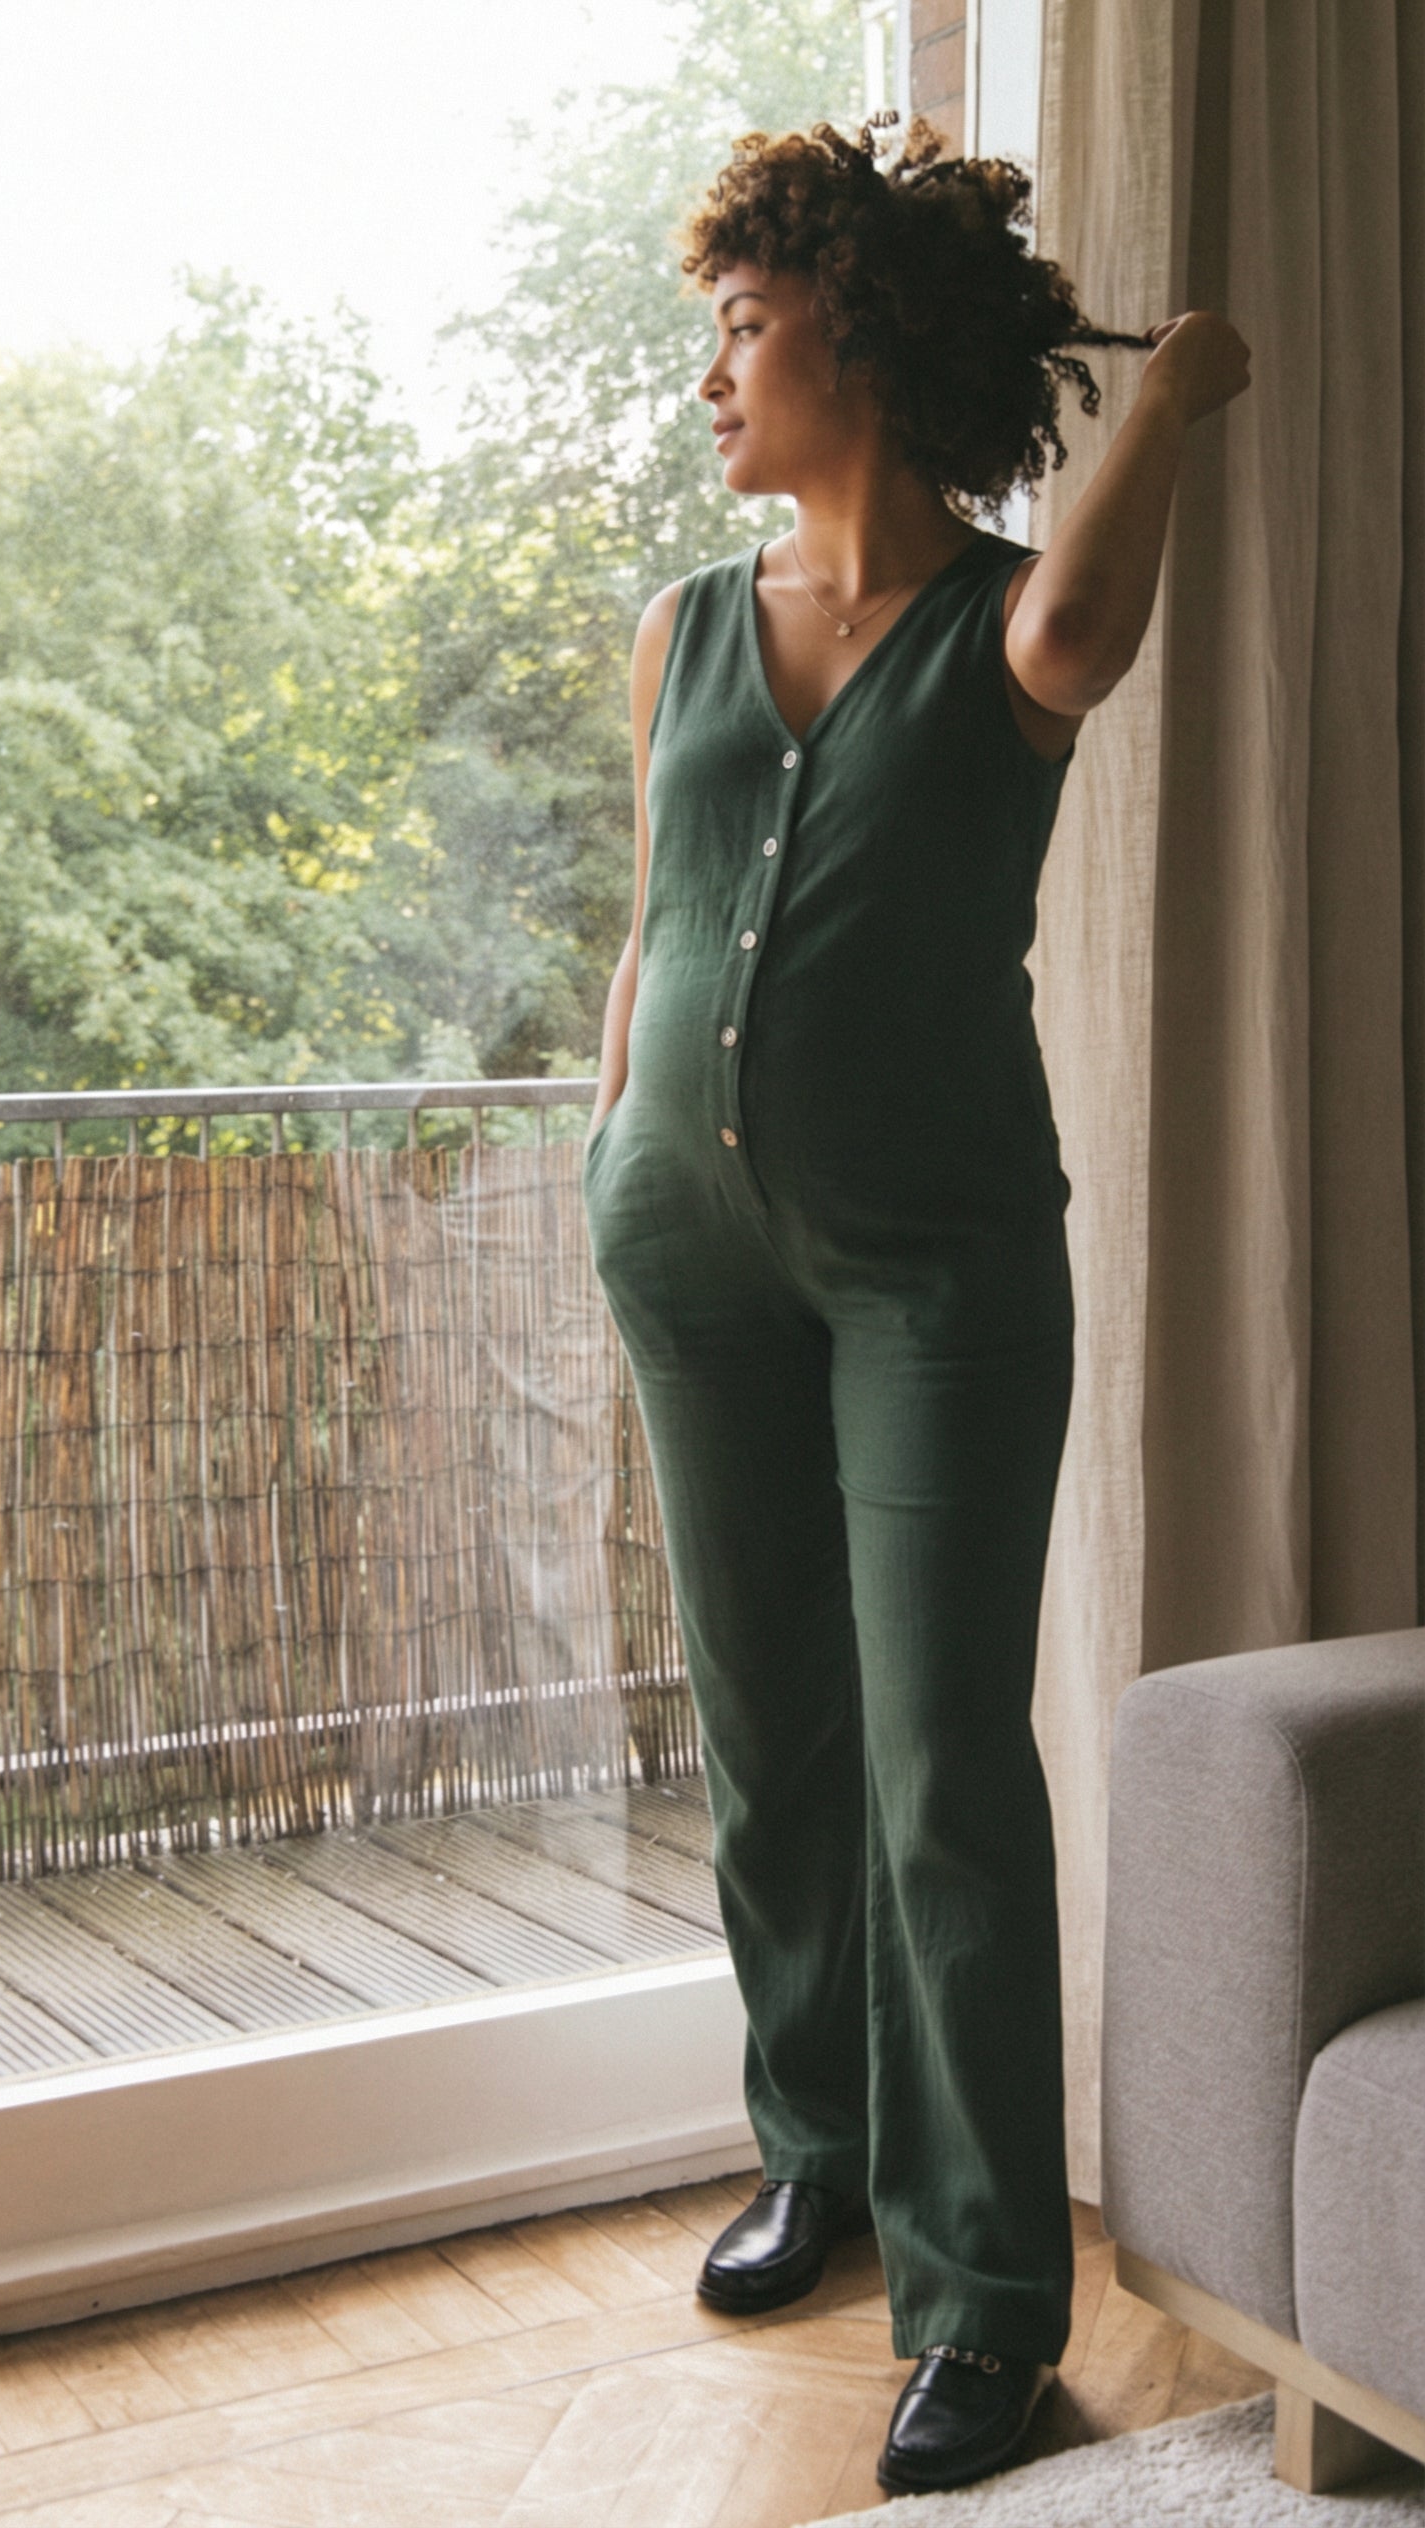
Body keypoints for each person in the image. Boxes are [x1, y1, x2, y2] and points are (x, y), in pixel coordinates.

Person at [580, 111, 1250, 2497]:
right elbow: (652, 931)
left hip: (936, 1269)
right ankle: (820, 2147)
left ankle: (979, 2296)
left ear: (849, 334)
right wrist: (605, 1141)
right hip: (687, 1247)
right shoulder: (674, 627)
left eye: (740, 333)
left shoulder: (1009, 628)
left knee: (941, 1771)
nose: (709, 385)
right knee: (769, 1736)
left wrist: (1163, 396)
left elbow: (1091, 603)